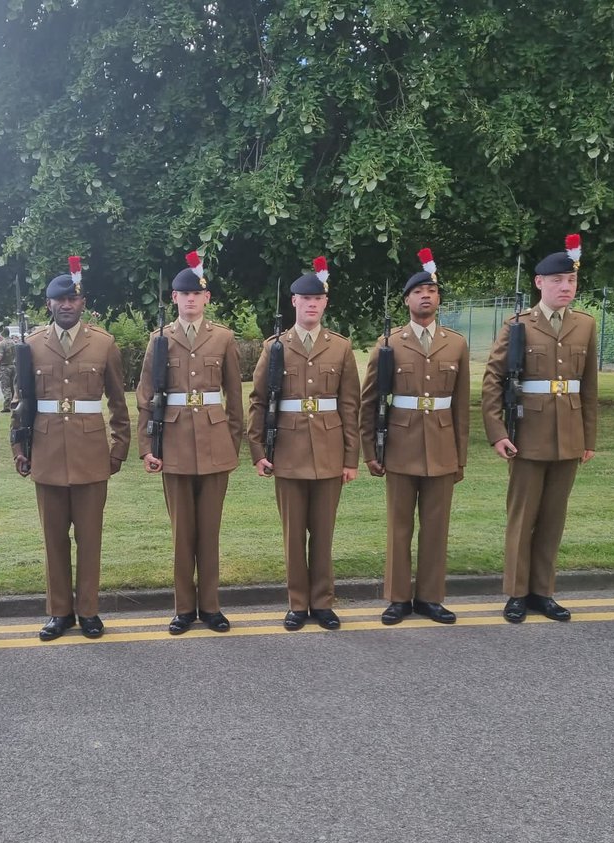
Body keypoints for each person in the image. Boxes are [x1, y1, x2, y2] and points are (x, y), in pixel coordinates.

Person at [12, 257, 130, 641]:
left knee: (90, 537)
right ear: (49, 304)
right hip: (46, 451)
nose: (66, 305)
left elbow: (117, 400)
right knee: (54, 537)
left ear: (83, 303)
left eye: (73, 300)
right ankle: (59, 612)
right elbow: (21, 402)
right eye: (59, 300)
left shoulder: (104, 343)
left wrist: (119, 448)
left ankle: (89, 610)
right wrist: (19, 446)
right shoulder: (31, 346)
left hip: (91, 452)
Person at [482, 235, 598, 624]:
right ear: (539, 283)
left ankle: (542, 591)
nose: (566, 287)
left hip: (568, 434)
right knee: (523, 516)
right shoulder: (518, 324)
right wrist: (498, 431)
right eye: (558, 281)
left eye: (571, 281)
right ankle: (516, 592)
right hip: (527, 434)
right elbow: (493, 379)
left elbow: (589, 386)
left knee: (553, 518)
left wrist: (588, 438)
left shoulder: (585, 325)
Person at [247, 257, 359, 631]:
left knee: (324, 532)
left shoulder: (340, 348)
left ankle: (323, 602)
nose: (312, 304)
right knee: (294, 534)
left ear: (325, 303)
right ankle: (298, 602)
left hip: (328, 450)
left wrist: (350, 457)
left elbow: (349, 405)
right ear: (293, 302)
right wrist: (259, 450)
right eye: (304, 298)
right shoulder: (274, 347)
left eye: (318, 299)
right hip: (289, 451)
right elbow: (259, 401)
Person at [360, 250, 470, 625]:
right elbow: (370, 400)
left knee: (437, 525)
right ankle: (397, 598)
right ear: (406, 300)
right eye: (419, 291)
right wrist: (370, 449)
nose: (426, 296)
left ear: (439, 299)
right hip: (401, 444)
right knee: (400, 525)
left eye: (432, 290)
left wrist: (460, 455)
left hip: (441, 444)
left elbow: (460, 405)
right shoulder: (389, 342)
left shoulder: (456, 343)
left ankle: (430, 598)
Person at [136, 252, 243, 635]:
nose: (191, 300)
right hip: (175, 443)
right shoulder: (159, 341)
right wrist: (148, 445)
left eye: (197, 294)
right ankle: (184, 608)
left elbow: (234, 395)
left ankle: (211, 607)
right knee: (182, 532)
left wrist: (233, 442)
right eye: (183, 294)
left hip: (215, 443)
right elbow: (145, 396)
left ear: (207, 298)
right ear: (175, 299)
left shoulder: (224, 338)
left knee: (210, 530)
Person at [0, 333, 17, 409]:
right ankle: (14, 403)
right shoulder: (13, 342)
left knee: (5, 386)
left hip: (4, 367)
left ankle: (7, 406)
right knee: (13, 386)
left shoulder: (2, 344)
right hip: (13, 366)